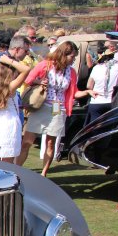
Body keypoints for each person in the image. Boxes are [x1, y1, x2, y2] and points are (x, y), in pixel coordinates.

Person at [17, 41, 93, 176]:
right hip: (41, 105)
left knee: (51, 143)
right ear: (64, 54)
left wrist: (88, 92)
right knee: (27, 141)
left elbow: (74, 92)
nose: (73, 59)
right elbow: (27, 79)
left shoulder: (71, 72)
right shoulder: (45, 65)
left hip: (58, 108)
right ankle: (17, 170)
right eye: (72, 57)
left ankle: (44, 174)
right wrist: (39, 81)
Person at [0, 54, 31, 162]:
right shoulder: (11, 86)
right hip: (9, 122)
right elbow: (26, 70)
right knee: (7, 159)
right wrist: (10, 61)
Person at [85, 49, 118, 125]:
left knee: (94, 129)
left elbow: (89, 86)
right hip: (114, 102)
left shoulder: (96, 68)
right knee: (110, 129)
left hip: (97, 101)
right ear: (113, 56)